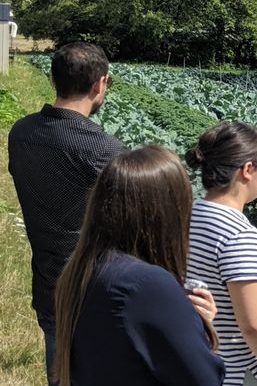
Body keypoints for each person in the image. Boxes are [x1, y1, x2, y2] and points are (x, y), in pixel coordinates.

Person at [52, 146, 224, 385]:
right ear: (168, 211)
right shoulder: (147, 285)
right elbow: (204, 380)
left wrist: (181, 319)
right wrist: (199, 326)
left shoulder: (86, 267)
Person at [8, 41, 127, 384]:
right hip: (96, 289)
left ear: (52, 79)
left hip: (48, 281)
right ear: (99, 84)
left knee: (59, 372)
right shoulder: (105, 150)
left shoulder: (22, 132)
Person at [185, 121, 257, 386]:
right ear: (248, 170)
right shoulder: (238, 237)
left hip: (204, 360)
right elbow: (254, 323)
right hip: (243, 373)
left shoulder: (190, 215)